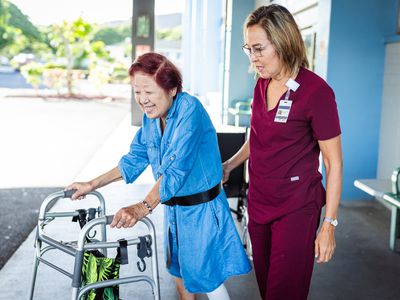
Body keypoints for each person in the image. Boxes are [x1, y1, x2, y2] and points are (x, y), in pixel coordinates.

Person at [66, 52, 251, 300]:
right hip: (175, 211)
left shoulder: (190, 110)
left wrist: (142, 207)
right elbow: (135, 158)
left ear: (172, 88)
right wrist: (91, 184)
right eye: (137, 92)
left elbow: (175, 169)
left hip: (203, 211)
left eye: (149, 92)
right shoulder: (151, 118)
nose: (142, 100)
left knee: (207, 282)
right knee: (181, 280)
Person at [222, 4, 343, 300]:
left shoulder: (316, 92)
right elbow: (258, 136)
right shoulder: (261, 85)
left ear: (283, 41)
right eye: (248, 49)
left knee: (284, 293)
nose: (253, 58)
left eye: (259, 49)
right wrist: (230, 164)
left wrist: (329, 223)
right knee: (267, 289)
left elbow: (334, 162)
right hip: (260, 202)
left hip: (297, 207)